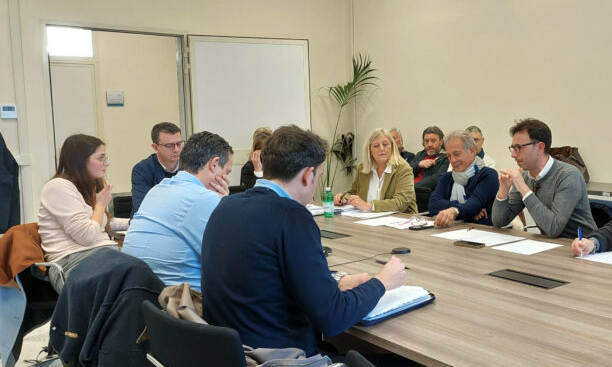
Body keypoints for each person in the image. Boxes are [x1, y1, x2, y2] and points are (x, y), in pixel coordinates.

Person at [202, 124, 406, 354]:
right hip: (282, 365)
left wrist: (335, 285)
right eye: (319, 176)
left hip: (231, 358)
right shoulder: (292, 217)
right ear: (309, 175)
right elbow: (333, 318)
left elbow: (265, 279)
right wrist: (382, 282)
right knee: (399, 366)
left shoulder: (226, 205)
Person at [122, 131, 233, 292]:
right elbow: (231, 260)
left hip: (145, 299)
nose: (227, 180)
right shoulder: (204, 198)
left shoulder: (157, 190)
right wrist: (224, 205)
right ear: (214, 164)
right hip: (186, 302)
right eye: (227, 172)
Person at [38, 134, 129, 293]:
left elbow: (100, 223)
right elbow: (87, 236)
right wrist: (100, 205)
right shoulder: (58, 187)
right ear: (81, 160)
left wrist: (133, 223)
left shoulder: (86, 186)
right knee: (136, 275)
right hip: (73, 262)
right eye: (101, 158)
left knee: (146, 267)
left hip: (101, 256)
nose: (106, 163)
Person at [492, 118, 596, 238]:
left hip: (582, 245)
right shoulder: (525, 176)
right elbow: (499, 222)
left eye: (518, 147)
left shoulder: (569, 175)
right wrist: (503, 190)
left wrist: (523, 188)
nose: (513, 155)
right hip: (550, 244)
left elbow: (553, 228)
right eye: (512, 148)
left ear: (540, 148)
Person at [334, 128, 417, 214]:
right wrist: (344, 198)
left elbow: (401, 202)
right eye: (376, 146)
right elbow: (354, 192)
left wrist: (369, 205)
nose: (381, 149)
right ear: (369, 150)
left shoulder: (403, 168)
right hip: (368, 218)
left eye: (385, 144)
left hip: (400, 219)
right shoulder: (363, 167)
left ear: (392, 146)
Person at [428, 130, 499, 227]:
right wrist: (466, 210)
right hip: (449, 230)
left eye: (456, 154)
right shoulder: (447, 177)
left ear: (472, 151)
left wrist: (455, 211)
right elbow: (433, 205)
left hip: (480, 231)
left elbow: (474, 204)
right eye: (449, 156)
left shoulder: (488, 175)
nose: (452, 160)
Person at [130, 122, 183, 216]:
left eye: (179, 144)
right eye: (169, 145)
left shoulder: (191, 166)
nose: (176, 150)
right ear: (155, 147)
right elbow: (143, 208)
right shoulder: (142, 170)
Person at [408, 126, 449, 192]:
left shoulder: (446, 157)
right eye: (426, 141)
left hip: (423, 192)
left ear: (441, 141)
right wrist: (418, 164)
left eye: (433, 141)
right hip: (408, 190)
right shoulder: (420, 154)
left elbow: (436, 179)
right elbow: (406, 170)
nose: (429, 144)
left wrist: (410, 188)